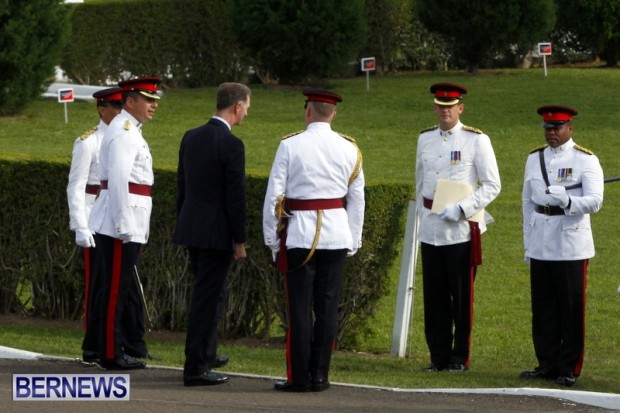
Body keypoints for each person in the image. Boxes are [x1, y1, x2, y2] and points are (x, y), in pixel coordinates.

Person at [262, 89, 365, 392]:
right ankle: (320, 375)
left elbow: (275, 196)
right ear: (334, 114)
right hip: (336, 235)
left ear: (308, 111)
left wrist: (272, 238)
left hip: (300, 235)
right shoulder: (350, 148)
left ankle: (299, 377)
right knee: (327, 307)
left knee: (299, 308)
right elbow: (357, 199)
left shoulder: (290, 145)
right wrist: (354, 238)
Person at [415, 83, 501, 373]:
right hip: (431, 229)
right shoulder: (425, 138)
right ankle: (438, 356)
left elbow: (492, 185)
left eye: (450, 107)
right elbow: (420, 181)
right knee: (434, 297)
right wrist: (422, 218)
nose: (445, 111)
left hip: (461, 230)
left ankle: (459, 357)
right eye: (440, 106)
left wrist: (463, 208)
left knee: (461, 298)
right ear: (434, 108)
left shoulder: (476, 140)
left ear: (460, 108)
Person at [173, 82, 250, 387]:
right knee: (207, 299)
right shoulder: (232, 145)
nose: (246, 114)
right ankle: (195, 366)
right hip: (217, 233)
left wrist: (183, 222)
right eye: (246, 107)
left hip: (192, 227)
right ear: (237, 106)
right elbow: (235, 197)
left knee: (212, 294)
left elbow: (183, 186)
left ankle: (206, 352)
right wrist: (240, 240)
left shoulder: (191, 137)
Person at [520, 105, 604, 387]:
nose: (551, 133)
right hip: (541, 241)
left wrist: (568, 201)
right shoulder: (534, 158)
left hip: (570, 243)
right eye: (547, 128)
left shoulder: (585, 160)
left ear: (570, 128)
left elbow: (595, 200)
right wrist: (528, 241)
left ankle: (569, 367)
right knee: (543, 308)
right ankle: (546, 363)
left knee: (570, 308)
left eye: (557, 128)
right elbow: (527, 202)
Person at [88, 76, 162, 370]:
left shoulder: (127, 129)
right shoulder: (125, 132)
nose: (153, 105)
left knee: (115, 289)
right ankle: (110, 353)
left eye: (155, 100)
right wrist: (124, 226)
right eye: (148, 100)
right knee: (115, 291)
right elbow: (119, 181)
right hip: (120, 223)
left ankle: (108, 349)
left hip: (125, 219)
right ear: (130, 101)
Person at [67, 87, 123, 364]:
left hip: (116, 220)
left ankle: (116, 341)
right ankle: (91, 345)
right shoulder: (88, 142)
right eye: (116, 105)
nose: (121, 110)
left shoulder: (124, 138)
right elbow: (76, 187)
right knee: (96, 285)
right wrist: (80, 226)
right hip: (93, 220)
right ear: (102, 109)